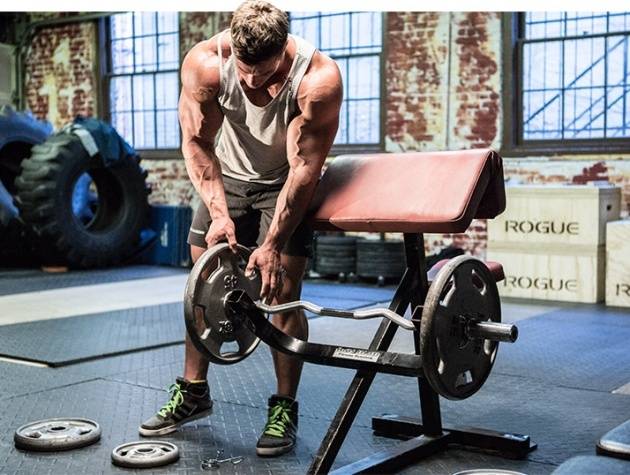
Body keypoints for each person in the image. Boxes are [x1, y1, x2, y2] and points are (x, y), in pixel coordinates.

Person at [138, 0, 342, 457]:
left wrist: (271, 243)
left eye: (262, 71)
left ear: (283, 50)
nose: (250, 81)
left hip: (285, 181)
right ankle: (193, 393)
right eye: (243, 68)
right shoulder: (206, 65)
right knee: (202, 289)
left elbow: (305, 169)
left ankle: (284, 406)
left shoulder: (317, 80)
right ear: (231, 47)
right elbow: (196, 141)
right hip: (226, 176)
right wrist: (220, 213)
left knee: (281, 293)